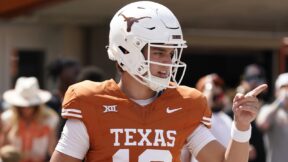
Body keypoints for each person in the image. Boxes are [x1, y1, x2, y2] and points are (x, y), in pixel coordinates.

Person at [50, 1, 267, 162]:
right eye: (159, 52)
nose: (168, 61)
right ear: (128, 50)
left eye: (172, 53)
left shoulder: (184, 103)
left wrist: (241, 126)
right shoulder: (92, 102)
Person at [1, 77, 59, 162]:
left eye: (30, 106)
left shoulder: (49, 120)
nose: (26, 109)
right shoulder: (7, 119)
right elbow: (3, 150)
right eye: (22, 106)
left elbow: (52, 150)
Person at [181, 74, 233, 162]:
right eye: (215, 97)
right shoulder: (199, 118)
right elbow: (203, 106)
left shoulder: (227, 118)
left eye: (220, 95)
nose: (219, 99)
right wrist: (209, 87)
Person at [234, 64, 267, 162]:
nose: (255, 81)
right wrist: (242, 146)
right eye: (251, 78)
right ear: (243, 81)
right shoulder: (235, 108)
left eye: (259, 77)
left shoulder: (269, 107)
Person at [256, 72, 288, 162]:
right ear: (276, 91)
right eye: (284, 87)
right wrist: (280, 102)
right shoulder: (269, 109)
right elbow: (262, 124)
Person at [46, 58, 81, 139]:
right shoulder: (51, 101)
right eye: (75, 72)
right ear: (62, 73)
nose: (78, 75)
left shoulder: (79, 99)